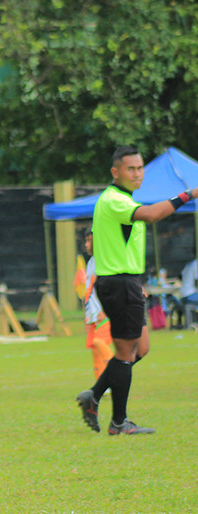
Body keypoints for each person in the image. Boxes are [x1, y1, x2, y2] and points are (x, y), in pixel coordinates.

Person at [76, 146, 197, 435]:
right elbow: (154, 215)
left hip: (127, 282)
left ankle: (93, 396)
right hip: (117, 284)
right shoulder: (114, 200)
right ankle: (118, 421)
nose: (137, 173)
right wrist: (190, 194)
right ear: (115, 172)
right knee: (126, 352)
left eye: (140, 168)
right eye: (131, 169)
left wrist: (137, 284)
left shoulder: (126, 199)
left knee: (139, 348)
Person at [82, 231, 114, 380]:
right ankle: (102, 387)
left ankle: (117, 376)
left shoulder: (105, 260)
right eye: (86, 241)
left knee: (99, 342)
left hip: (106, 312)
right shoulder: (91, 262)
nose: (86, 245)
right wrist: (87, 316)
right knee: (94, 349)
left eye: (90, 241)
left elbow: (112, 286)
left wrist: (106, 310)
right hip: (94, 314)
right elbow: (89, 291)